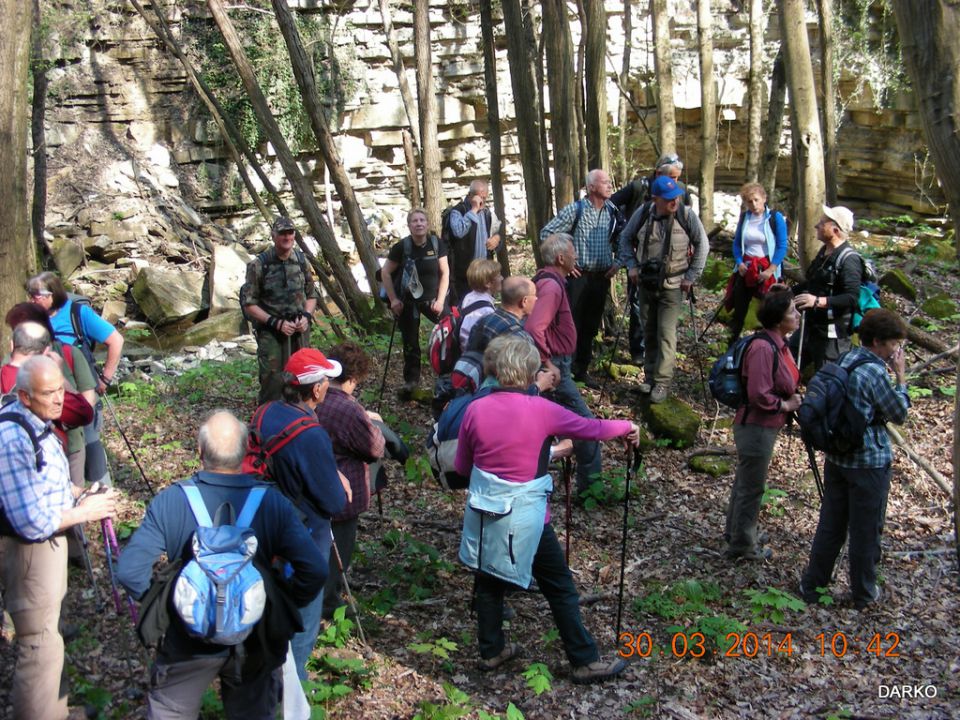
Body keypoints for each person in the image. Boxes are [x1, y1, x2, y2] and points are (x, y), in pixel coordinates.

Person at [116, 411, 326, 719]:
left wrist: (172, 609)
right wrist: (277, 603)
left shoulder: (170, 501)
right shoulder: (273, 503)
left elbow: (129, 571)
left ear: (199, 451)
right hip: (254, 639)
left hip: (185, 642)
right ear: (243, 453)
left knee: (169, 711)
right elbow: (315, 570)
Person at [455, 336, 639, 683]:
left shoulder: (474, 409)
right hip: (529, 518)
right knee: (559, 587)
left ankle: (491, 651)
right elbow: (592, 429)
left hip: (486, 512)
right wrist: (628, 426)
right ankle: (583, 659)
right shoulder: (542, 409)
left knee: (490, 581)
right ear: (528, 371)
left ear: (493, 368)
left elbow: (464, 467)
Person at [0, 355, 117, 720]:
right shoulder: (11, 437)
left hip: (46, 548)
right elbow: (31, 522)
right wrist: (86, 513)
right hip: (29, 553)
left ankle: (55, 710)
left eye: (59, 391)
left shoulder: (37, 422)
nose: (58, 400)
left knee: (50, 639)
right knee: (38, 646)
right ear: (23, 396)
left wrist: (79, 491)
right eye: (48, 393)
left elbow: (46, 480)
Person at [799, 309, 910, 610]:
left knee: (831, 525)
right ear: (878, 342)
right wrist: (900, 376)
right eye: (894, 345)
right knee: (865, 529)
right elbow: (898, 413)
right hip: (868, 462)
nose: (897, 351)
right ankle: (863, 592)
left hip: (837, 457)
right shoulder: (874, 371)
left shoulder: (846, 358)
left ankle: (813, 585)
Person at [249, 348, 349, 678]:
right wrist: (339, 483)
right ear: (316, 388)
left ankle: (264, 675)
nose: (328, 386)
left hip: (262, 525)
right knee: (303, 616)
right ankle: (295, 687)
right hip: (304, 537)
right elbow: (333, 502)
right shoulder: (311, 434)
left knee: (267, 606)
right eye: (325, 381)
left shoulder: (264, 413)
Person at [723, 288, 801, 561]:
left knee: (746, 482)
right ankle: (743, 545)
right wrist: (786, 405)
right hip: (755, 425)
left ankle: (739, 532)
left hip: (763, 425)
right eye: (792, 311)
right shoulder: (762, 348)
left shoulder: (778, 343)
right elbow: (759, 394)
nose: (797, 315)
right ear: (779, 319)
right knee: (751, 486)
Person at [27, 271, 124, 489]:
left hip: (82, 397)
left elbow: (115, 340)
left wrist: (105, 379)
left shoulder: (77, 313)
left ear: (53, 294)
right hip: (43, 402)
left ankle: (104, 506)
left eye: (37, 294)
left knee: (91, 452)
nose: (32, 299)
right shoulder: (31, 319)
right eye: (30, 294)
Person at [618, 175, 708, 403]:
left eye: (675, 197)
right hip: (646, 284)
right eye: (668, 199)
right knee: (648, 331)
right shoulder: (643, 213)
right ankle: (649, 377)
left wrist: (691, 276)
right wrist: (631, 266)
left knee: (666, 334)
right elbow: (625, 238)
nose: (674, 202)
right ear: (656, 198)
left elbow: (702, 246)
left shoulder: (686, 216)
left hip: (673, 284)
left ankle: (662, 383)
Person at [525, 234, 603, 496]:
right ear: (560, 258)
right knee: (587, 426)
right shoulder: (551, 287)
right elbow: (534, 327)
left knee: (551, 424)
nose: (576, 256)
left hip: (557, 365)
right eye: (573, 252)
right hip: (555, 368)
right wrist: (549, 363)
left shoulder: (552, 281)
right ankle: (590, 490)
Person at [312, 342, 386, 620]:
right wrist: (373, 424)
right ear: (352, 379)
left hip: (312, 488)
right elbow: (374, 448)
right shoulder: (347, 408)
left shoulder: (313, 397)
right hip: (343, 493)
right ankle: (327, 602)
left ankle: (322, 593)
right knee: (339, 549)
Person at [539, 169, 624, 382]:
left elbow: (623, 238)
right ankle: (565, 370)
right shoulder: (574, 210)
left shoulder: (613, 212)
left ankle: (582, 369)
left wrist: (618, 262)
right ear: (592, 187)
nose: (609, 186)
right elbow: (547, 233)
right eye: (605, 182)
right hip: (578, 278)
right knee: (572, 323)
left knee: (591, 324)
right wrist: (566, 262)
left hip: (601, 278)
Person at [611, 153, 692, 364]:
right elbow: (612, 205)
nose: (675, 183)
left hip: (672, 266)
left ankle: (659, 362)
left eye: (677, 178)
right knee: (639, 307)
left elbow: (691, 225)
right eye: (671, 177)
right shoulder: (638, 188)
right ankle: (639, 351)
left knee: (666, 320)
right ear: (658, 174)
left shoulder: (682, 192)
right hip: (641, 261)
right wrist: (624, 233)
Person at [3, 307, 98, 488]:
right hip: (50, 459)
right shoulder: (43, 384)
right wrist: (58, 375)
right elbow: (83, 413)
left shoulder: (69, 353)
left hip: (63, 449)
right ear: (46, 351)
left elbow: (87, 400)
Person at [241, 216, 321, 404]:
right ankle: (267, 423)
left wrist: (307, 316)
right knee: (272, 382)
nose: (287, 237)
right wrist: (275, 322)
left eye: (290, 232)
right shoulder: (259, 264)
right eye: (282, 233)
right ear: (273, 236)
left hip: (299, 331)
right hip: (271, 333)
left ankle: (300, 419)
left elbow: (312, 295)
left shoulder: (301, 260)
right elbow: (249, 304)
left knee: (302, 378)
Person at [381, 208, 451, 396]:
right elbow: (385, 273)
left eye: (422, 220)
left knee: (449, 332)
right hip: (407, 303)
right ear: (409, 225)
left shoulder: (436, 244)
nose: (419, 224)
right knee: (410, 343)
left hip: (433, 301)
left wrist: (441, 300)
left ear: (427, 224)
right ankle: (411, 382)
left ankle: (449, 373)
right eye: (415, 221)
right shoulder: (401, 247)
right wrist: (393, 299)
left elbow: (445, 273)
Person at [790, 205, 862, 371]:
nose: (817, 226)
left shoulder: (849, 260)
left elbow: (851, 298)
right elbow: (813, 283)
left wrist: (817, 301)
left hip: (832, 336)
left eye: (822, 223)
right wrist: (788, 292)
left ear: (835, 230)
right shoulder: (824, 251)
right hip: (810, 326)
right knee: (787, 366)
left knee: (826, 382)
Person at [726, 183, 789, 346]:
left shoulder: (775, 218)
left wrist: (771, 269)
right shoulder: (745, 218)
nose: (753, 205)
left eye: (756, 200)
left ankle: (771, 345)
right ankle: (732, 345)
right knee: (739, 310)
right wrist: (739, 262)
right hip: (746, 269)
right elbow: (736, 244)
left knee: (770, 311)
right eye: (749, 201)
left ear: (764, 199)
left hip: (767, 269)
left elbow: (782, 246)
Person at [447, 180, 502, 303]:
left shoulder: (488, 213)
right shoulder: (458, 211)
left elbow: (497, 233)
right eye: (479, 197)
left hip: (485, 273)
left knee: (484, 304)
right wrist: (473, 209)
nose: (482, 201)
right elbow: (458, 232)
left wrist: (497, 239)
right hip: (464, 273)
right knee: (465, 305)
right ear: (470, 195)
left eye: (484, 197)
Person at [465, 276, 538, 355]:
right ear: (524, 301)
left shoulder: (481, 322)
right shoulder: (521, 338)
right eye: (534, 295)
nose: (536, 298)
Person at [457, 259, 501, 349]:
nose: (502, 278)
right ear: (488, 283)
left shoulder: (469, 297)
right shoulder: (485, 311)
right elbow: (465, 335)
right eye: (499, 276)